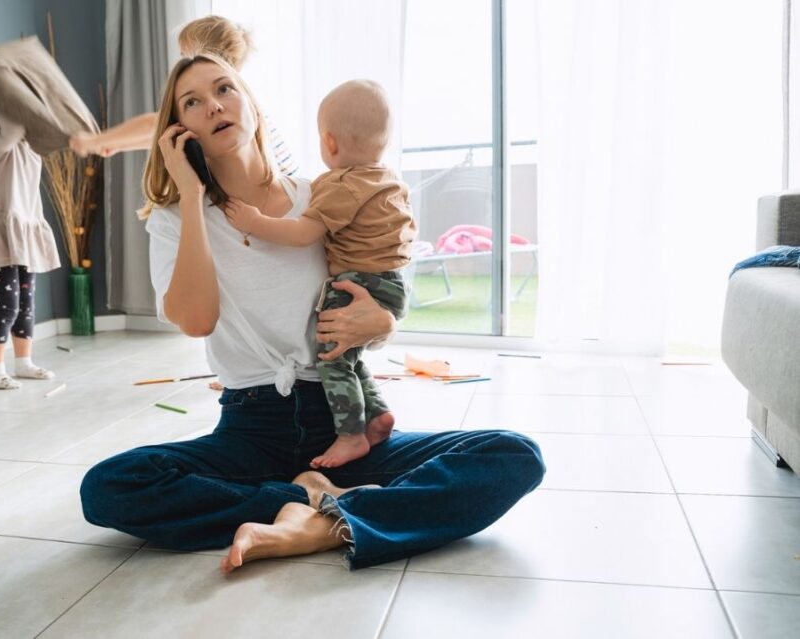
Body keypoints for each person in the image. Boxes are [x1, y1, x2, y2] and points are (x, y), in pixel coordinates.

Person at [77, 53, 545, 572]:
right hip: (250, 428)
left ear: (251, 105)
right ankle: (312, 504)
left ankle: (318, 521)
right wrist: (189, 196)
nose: (213, 105)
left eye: (224, 89)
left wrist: (384, 324)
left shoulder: (323, 195)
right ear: (180, 130)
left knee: (511, 455)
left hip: (341, 424)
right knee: (109, 487)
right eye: (192, 101)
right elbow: (197, 320)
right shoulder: (174, 221)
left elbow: (377, 283)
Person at [224, 79, 416, 468]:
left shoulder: (340, 185)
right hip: (393, 284)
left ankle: (349, 436)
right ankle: (377, 415)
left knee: (331, 358)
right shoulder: (388, 178)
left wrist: (255, 221)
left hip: (355, 281)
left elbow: (302, 233)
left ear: (329, 142)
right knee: (351, 356)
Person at [69, 15, 298, 176]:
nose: (182, 63)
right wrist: (119, 145)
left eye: (184, 55)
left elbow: (154, 124)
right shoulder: (232, 101)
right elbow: (169, 131)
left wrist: (97, 140)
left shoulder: (240, 105)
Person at [0, 98, 61, 390]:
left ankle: (24, 363)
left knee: (27, 306)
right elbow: (12, 127)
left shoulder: (29, 146)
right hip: (1, 232)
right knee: (8, 306)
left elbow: (45, 130)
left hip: (25, 229)